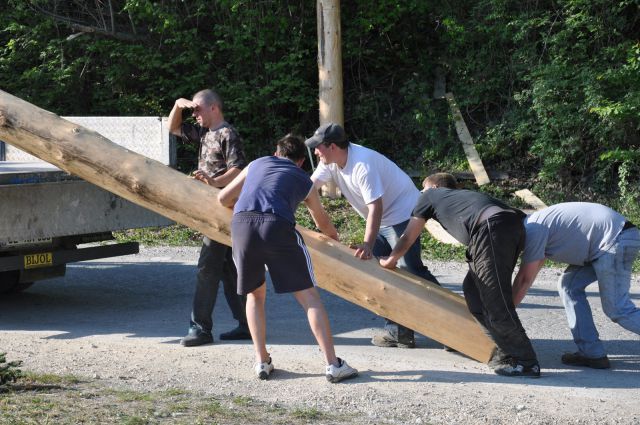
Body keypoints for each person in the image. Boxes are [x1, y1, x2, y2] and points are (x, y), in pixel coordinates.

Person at [218, 134, 358, 382]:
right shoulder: (304, 180)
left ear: (276, 152)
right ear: (302, 161)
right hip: (277, 224)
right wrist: (336, 240)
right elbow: (322, 221)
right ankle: (333, 364)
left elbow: (223, 198)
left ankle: (262, 362)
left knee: (254, 295)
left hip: (241, 225)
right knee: (309, 297)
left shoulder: (256, 164)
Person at [379, 173, 540, 377]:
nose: (420, 194)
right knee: (473, 292)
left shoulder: (430, 196)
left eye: (423, 189)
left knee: (494, 299)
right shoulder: (464, 198)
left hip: (491, 230)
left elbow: (408, 236)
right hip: (510, 228)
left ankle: (526, 361)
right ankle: (503, 348)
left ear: (434, 187)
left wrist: (391, 259)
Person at [305, 123, 439, 349]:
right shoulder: (329, 162)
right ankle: (399, 331)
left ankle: (458, 324)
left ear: (333, 146)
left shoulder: (362, 164)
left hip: (404, 216)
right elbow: (308, 187)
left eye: (319, 147)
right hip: (384, 219)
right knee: (376, 272)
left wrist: (368, 243)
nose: (316, 152)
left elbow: (375, 206)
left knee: (410, 270)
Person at [513, 202, 640, 369]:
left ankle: (591, 351)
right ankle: (591, 353)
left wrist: (504, 314)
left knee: (617, 308)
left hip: (615, 239)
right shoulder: (536, 225)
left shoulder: (533, 230)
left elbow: (523, 280)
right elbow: (531, 271)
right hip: (608, 241)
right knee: (569, 286)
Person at [168, 89, 250, 346]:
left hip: (224, 210)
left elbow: (238, 170)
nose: (194, 114)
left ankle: (200, 328)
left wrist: (214, 182)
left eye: (198, 109)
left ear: (214, 108)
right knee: (229, 270)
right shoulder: (205, 133)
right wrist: (177, 107)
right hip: (212, 210)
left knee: (207, 268)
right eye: (192, 111)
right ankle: (247, 324)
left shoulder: (227, 133)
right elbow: (173, 129)